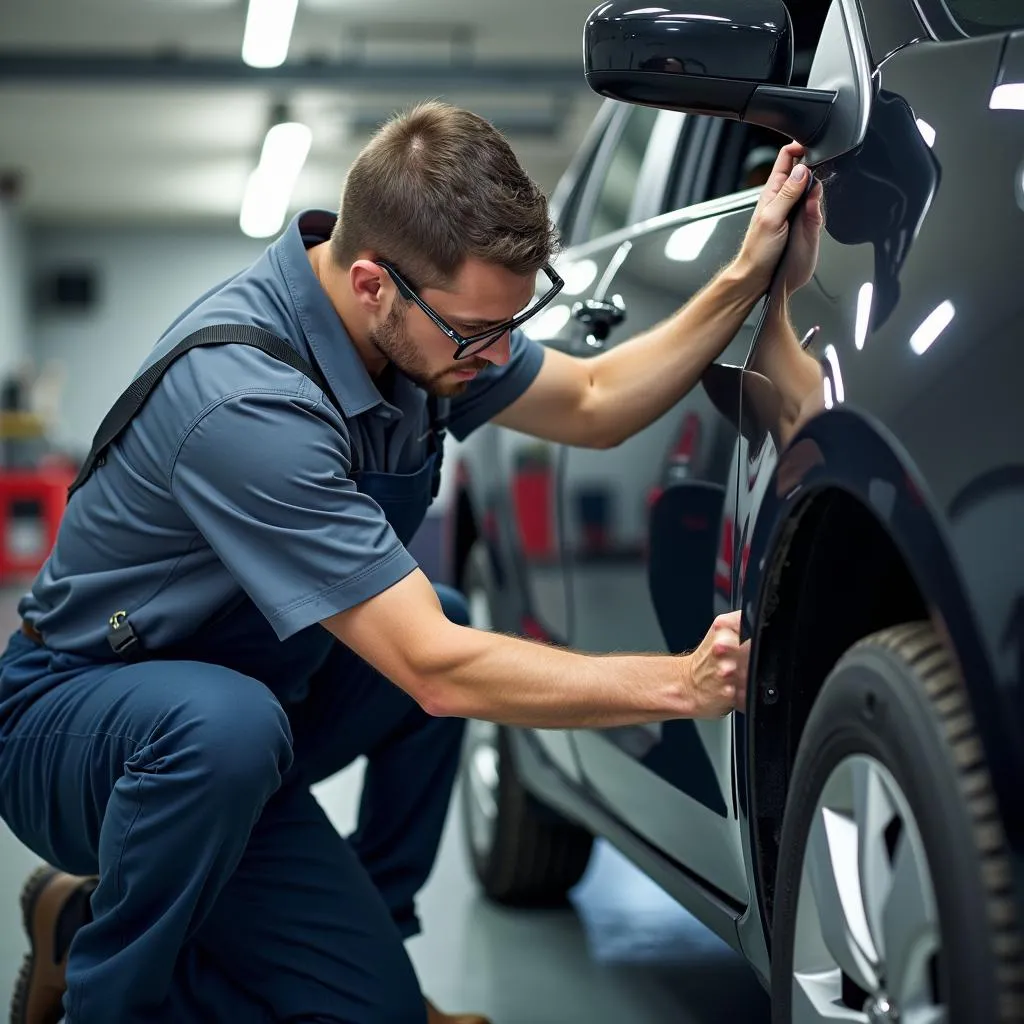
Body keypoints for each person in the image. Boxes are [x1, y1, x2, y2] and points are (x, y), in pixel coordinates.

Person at [0, 102, 824, 1024]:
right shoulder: (246, 401)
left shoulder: (428, 333)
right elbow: (433, 669)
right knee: (333, 689)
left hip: (244, 720)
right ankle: (99, 982)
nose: (502, 354)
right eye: (479, 333)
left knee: (430, 623)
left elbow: (594, 399)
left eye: (515, 320)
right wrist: (681, 685)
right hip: (81, 734)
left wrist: (745, 276)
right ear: (371, 285)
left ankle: (346, 935)